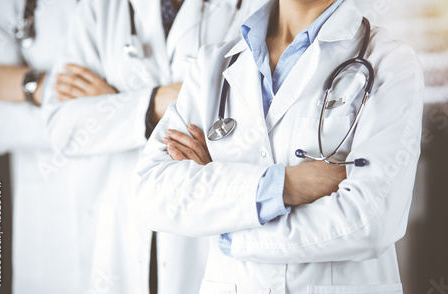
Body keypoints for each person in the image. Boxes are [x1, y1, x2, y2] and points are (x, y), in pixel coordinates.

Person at [135, 0, 425, 293]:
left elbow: (367, 222)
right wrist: (284, 185)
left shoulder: (390, 61)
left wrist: (231, 233)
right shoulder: (214, 62)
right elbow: (154, 195)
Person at [41, 0, 268, 293]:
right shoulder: (102, 7)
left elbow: (259, 113)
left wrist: (115, 102)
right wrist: (155, 102)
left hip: (207, 223)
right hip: (124, 220)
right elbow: (62, 126)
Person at [0, 0, 102, 293]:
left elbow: (160, 100)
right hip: (48, 207)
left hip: (126, 196)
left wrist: (31, 88)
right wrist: (108, 107)